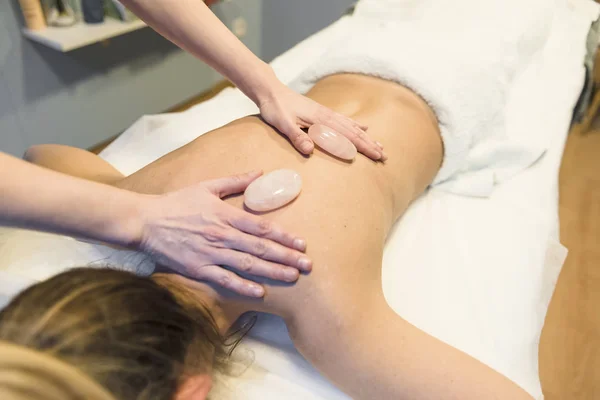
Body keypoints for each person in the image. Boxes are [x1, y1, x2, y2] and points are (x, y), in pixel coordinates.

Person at [0, 72, 533, 399]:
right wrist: (121, 206)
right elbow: (42, 155)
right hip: (342, 71)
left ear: (192, 393)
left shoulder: (326, 313)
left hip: (448, 98)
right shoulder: (139, 198)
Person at [0, 0, 385, 297]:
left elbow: (40, 154)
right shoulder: (311, 290)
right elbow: (41, 153)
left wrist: (266, 85)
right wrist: (138, 219)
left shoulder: (152, 196)